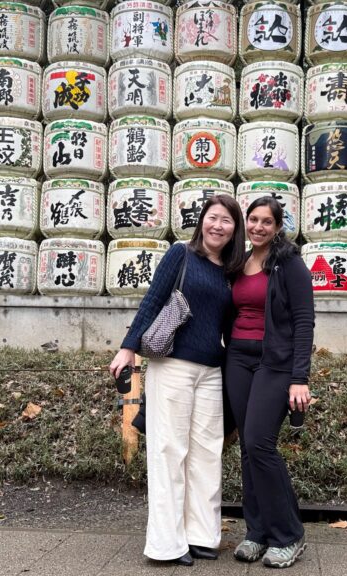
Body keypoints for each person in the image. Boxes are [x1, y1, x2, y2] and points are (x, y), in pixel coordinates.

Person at [109, 195, 245, 566]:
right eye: (212, 218)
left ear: (236, 229)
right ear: (202, 221)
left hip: (211, 371)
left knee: (206, 453)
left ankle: (202, 535)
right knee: (169, 452)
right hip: (172, 366)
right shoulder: (180, 254)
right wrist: (128, 349)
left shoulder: (232, 269)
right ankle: (167, 544)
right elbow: (153, 301)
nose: (218, 225)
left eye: (227, 220)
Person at [224, 196, 314, 569]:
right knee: (247, 447)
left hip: (273, 363)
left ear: (278, 227)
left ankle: (289, 534)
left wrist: (299, 378)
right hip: (237, 360)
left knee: (261, 443)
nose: (259, 227)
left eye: (267, 222)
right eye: (253, 220)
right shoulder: (239, 261)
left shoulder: (289, 263)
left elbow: (304, 321)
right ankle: (257, 532)